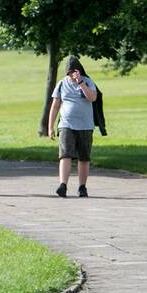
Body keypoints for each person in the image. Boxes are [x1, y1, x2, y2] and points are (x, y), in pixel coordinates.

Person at [47, 55, 98, 198]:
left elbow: (92, 98)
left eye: (74, 72)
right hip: (66, 125)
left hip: (85, 126)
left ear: (79, 71)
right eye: (69, 73)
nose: (71, 75)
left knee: (84, 157)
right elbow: (55, 105)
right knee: (65, 154)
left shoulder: (88, 82)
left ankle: (82, 187)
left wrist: (81, 82)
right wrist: (50, 127)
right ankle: (63, 185)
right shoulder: (62, 83)